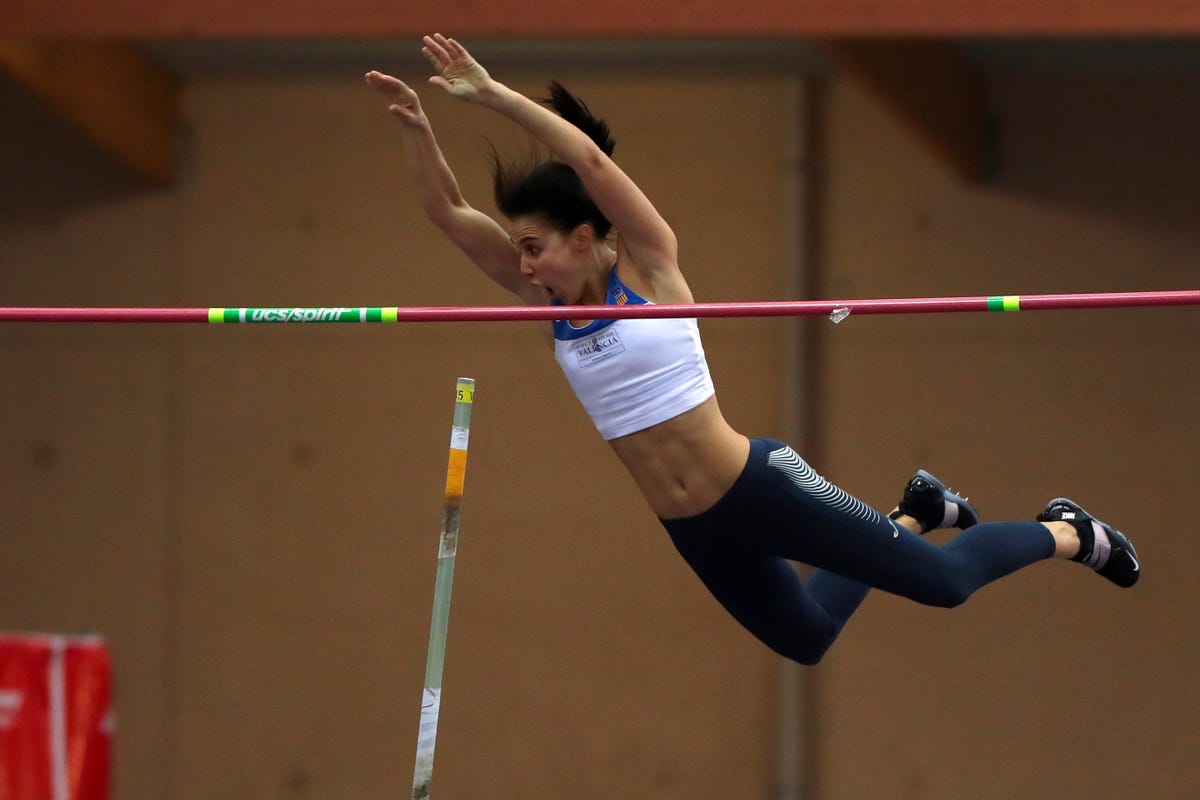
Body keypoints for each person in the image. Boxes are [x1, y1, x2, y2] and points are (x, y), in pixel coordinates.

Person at [365, 35, 1140, 666]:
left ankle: (1069, 531)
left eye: (535, 247)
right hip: (693, 525)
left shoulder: (651, 265)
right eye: (520, 253)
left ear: (585, 236)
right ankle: (916, 513)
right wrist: (416, 129)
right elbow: (446, 209)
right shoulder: (546, 301)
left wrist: (493, 94)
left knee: (945, 586)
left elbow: (595, 168)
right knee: (805, 638)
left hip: (758, 486)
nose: (524, 265)